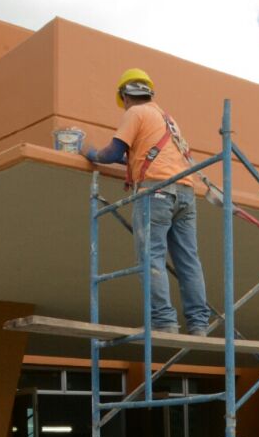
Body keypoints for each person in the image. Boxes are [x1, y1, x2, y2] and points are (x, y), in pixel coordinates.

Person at [84, 68, 210, 336]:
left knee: (151, 257)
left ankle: (163, 320)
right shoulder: (166, 118)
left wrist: (91, 152)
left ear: (125, 96)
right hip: (186, 193)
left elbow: (113, 152)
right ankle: (199, 324)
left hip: (157, 191)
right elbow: (139, 154)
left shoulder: (135, 113)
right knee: (188, 260)